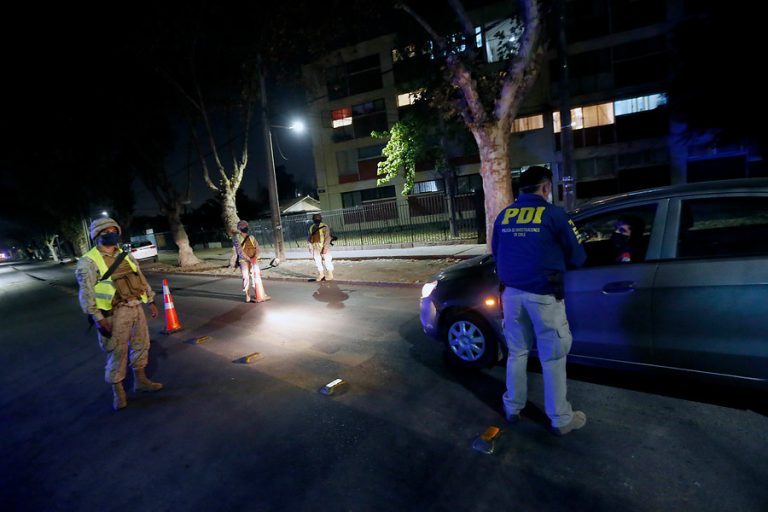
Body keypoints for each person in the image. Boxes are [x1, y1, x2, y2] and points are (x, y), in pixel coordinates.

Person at [491, 166, 587, 436]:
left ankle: (512, 407)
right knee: (553, 359)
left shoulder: (504, 216)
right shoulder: (554, 214)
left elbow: (496, 252)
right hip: (544, 296)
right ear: (545, 187)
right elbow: (578, 257)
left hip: (511, 296)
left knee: (517, 353)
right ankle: (560, 419)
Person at [75, 218, 162, 411]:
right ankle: (119, 393)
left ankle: (140, 381)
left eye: (115, 230)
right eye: (107, 232)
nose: (112, 234)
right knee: (117, 351)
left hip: (135, 306)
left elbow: (140, 277)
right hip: (112, 313)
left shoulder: (125, 255)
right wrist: (98, 318)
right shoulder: (88, 262)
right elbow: (87, 293)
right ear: (97, 236)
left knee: (141, 344)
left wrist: (151, 301)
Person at [231, 220, 270, 303]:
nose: (246, 227)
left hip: (253, 259)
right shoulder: (236, 238)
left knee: (255, 276)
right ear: (240, 228)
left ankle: (259, 293)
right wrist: (250, 259)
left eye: (246, 226)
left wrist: (255, 257)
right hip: (243, 261)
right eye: (244, 226)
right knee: (246, 277)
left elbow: (258, 248)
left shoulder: (251, 237)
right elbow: (240, 251)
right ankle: (247, 294)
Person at [307, 213, 334, 281]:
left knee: (327, 260)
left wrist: (325, 248)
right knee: (317, 261)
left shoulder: (324, 226)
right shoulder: (311, 227)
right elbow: (309, 239)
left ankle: (330, 274)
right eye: (315, 219)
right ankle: (321, 274)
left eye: (317, 219)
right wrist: (310, 247)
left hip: (324, 247)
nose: (316, 221)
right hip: (315, 248)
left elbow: (327, 238)